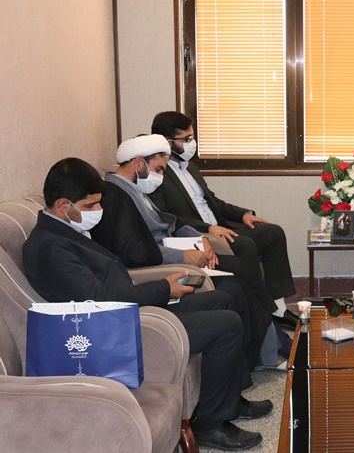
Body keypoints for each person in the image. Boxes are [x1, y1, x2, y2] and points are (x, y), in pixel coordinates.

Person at [22, 158, 272, 451]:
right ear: (64, 205)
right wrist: (164, 288)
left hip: (128, 307)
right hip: (114, 329)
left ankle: (229, 399)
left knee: (223, 297)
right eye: (91, 205)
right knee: (226, 325)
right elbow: (100, 301)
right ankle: (210, 425)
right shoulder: (52, 247)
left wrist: (163, 288)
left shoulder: (65, 230)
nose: (99, 210)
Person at [91, 134, 289, 370]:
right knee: (234, 282)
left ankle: (270, 347)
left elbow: (169, 222)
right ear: (138, 162)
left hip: (175, 251)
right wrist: (183, 256)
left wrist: (200, 238)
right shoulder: (114, 195)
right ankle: (268, 350)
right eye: (158, 169)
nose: (160, 177)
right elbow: (133, 252)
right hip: (162, 267)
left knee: (240, 268)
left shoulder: (135, 188)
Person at [148, 111, 298, 330]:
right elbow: (167, 217)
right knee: (245, 245)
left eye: (192, 137)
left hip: (220, 227)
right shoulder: (158, 174)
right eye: (186, 139)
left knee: (272, 233)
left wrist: (243, 214)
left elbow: (213, 202)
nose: (192, 143)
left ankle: (279, 308)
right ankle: (262, 313)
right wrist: (208, 228)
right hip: (199, 235)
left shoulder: (190, 168)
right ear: (168, 143)